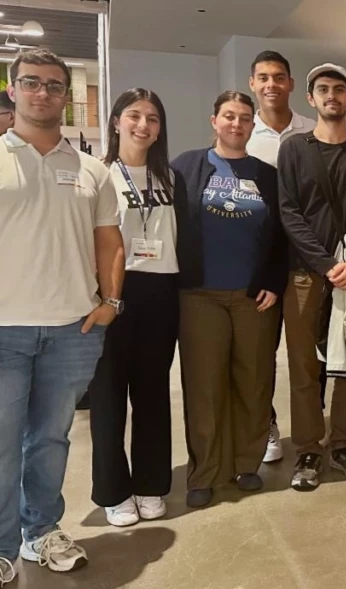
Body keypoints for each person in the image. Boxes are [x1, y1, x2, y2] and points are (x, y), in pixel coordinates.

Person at [0, 49, 125, 582]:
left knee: (51, 440)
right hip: (4, 328)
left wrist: (110, 303)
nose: (43, 92)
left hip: (74, 329)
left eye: (54, 85)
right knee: (3, 442)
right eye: (32, 82)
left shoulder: (92, 169)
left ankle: (41, 532)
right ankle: (2, 543)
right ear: (13, 88)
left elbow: (110, 243)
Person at [171, 91, 288, 508]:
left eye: (244, 118)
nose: (236, 124)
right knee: (204, 386)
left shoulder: (267, 175)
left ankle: (245, 464)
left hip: (253, 297)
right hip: (199, 295)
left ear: (253, 123)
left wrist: (274, 281)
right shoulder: (186, 167)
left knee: (254, 383)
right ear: (213, 120)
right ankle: (204, 472)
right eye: (228, 116)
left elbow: (281, 236)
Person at [277, 64, 346, 491]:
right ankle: (307, 450)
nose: (331, 96)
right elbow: (289, 213)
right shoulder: (293, 150)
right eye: (323, 89)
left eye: (339, 89)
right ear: (311, 98)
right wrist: (326, 264)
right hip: (306, 276)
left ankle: (343, 445)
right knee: (305, 367)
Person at [88, 88, 181, 527]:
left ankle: (150, 483)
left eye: (153, 118)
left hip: (162, 292)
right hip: (112, 293)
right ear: (115, 122)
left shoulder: (171, 178)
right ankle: (112, 491)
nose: (143, 125)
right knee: (108, 398)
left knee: (152, 395)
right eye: (134, 115)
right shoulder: (99, 174)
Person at [245, 50, 321, 465]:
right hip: (257, 258)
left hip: (303, 260)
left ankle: (310, 435)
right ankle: (267, 424)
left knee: (304, 355)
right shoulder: (242, 132)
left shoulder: (313, 131)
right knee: (260, 354)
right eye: (263, 78)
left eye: (279, 77)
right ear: (253, 84)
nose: (271, 84)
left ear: (292, 84)